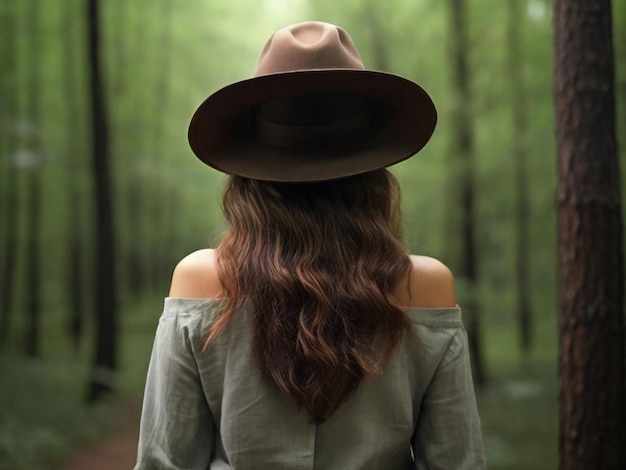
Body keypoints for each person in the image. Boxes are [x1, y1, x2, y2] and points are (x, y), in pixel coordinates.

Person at [134, 21, 486, 469]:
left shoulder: (201, 279)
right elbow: (458, 462)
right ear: (373, 164)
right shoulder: (427, 285)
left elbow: (165, 462)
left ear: (250, 166)